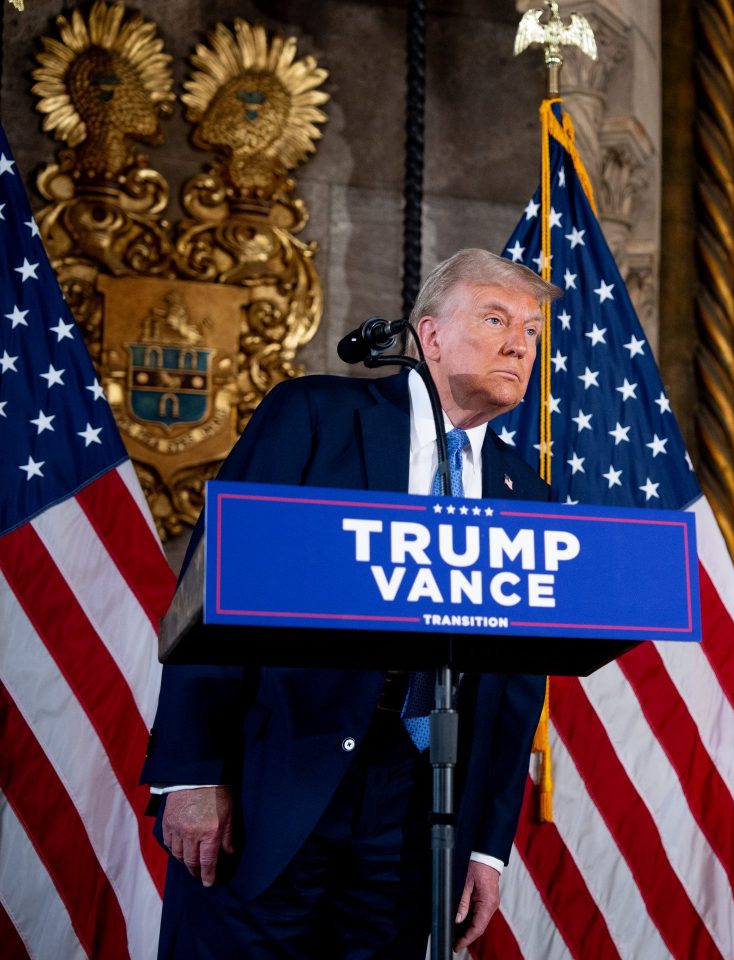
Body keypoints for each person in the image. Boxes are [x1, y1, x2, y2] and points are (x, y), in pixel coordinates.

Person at [141, 249, 558, 958]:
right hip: (274, 785)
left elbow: (516, 686)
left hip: (417, 812)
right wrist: (194, 771)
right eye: (495, 319)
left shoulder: (527, 492)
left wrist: (487, 849)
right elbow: (217, 591)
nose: (520, 343)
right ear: (429, 336)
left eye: (531, 331)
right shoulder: (316, 418)